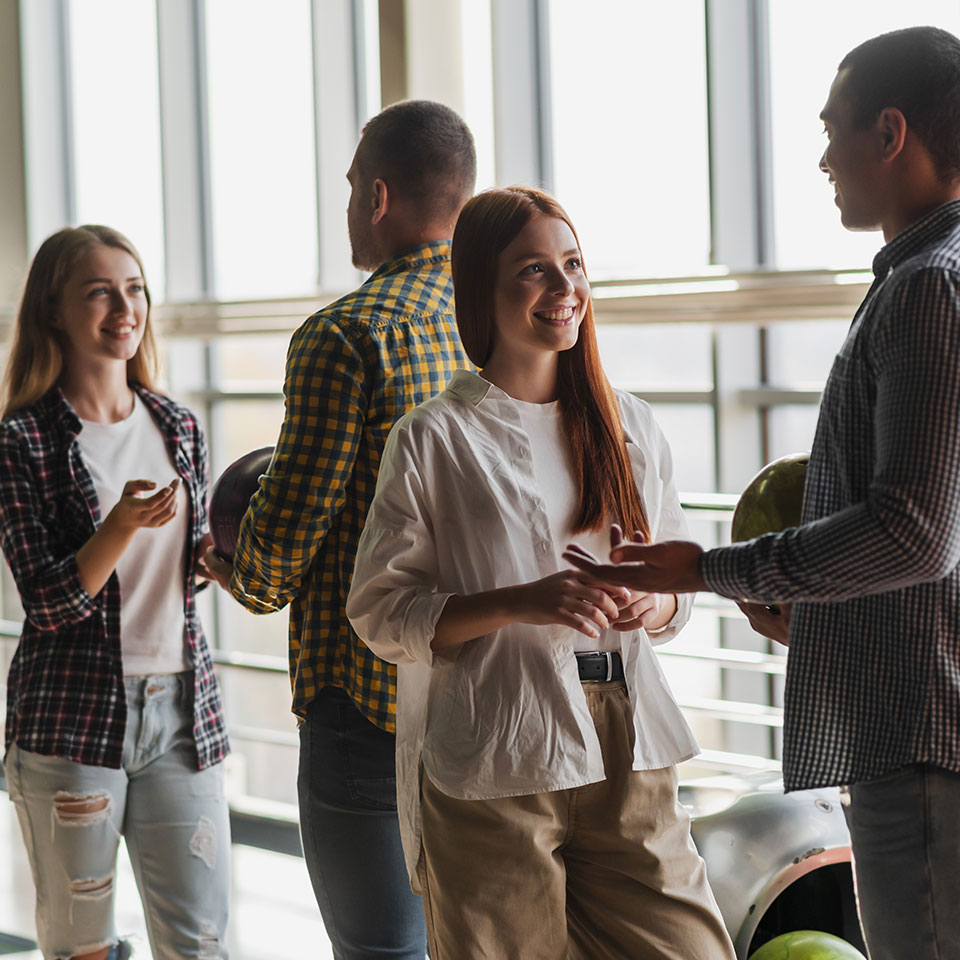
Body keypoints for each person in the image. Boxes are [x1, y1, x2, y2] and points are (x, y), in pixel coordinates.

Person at [563, 26, 960, 960]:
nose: (824, 157)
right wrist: (817, 606)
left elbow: (914, 532)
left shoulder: (926, 291)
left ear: (891, 132)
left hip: (924, 733)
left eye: (836, 129)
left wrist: (709, 569)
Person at [345, 186, 736, 960]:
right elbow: (382, 615)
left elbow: (675, 598)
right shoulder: (433, 438)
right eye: (535, 271)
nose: (565, 291)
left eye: (573, 265)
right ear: (480, 290)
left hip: (627, 736)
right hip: (497, 746)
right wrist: (520, 601)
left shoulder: (629, 424)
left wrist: (645, 605)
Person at [203, 100, 475, 959]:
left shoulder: (347, 335)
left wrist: (238, 569)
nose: (352, 201)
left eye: (354, 185)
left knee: (380, 950)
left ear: (379, 197)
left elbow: (284, 538)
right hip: (489, 698)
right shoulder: (509, 321)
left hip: (368, 702)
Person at [0, 225, 230, 960]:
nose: (123, 307)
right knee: (81, 948)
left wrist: (211, 561)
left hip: (181, 713)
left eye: (133, 289)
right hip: (71, 720)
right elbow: (47, 603)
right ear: (53, 312)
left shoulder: (178, 425)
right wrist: (120, 526)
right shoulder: (22, 441)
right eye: (99, 291)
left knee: (200, 942)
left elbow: (180, 579)